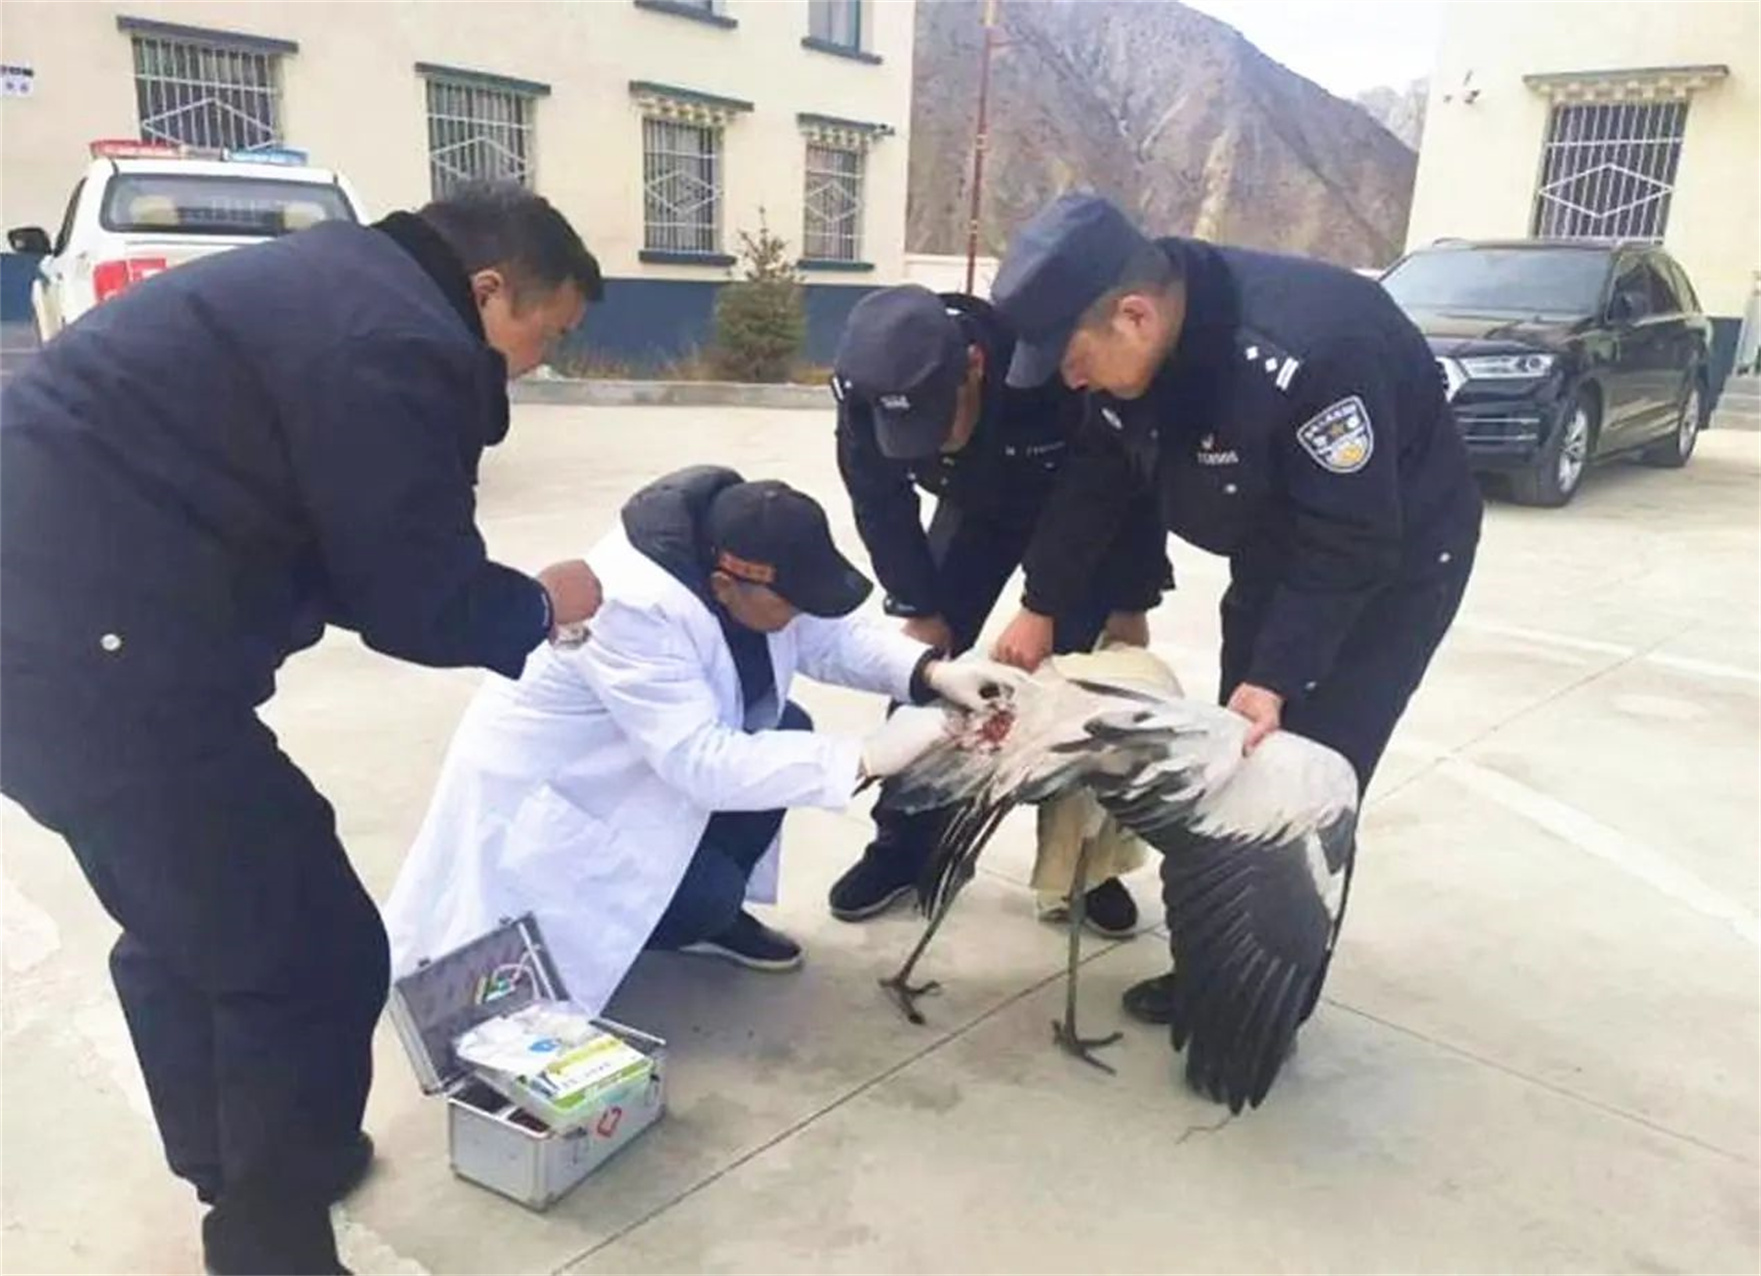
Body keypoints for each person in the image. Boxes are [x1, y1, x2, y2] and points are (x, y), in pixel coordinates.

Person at [0, 183, 605, 1275]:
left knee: (192, 920)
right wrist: (539, 604)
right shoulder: (397, 341)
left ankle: (245, 1163)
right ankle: (268, 1243)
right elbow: (413, 596)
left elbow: (328, 527)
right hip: (97, 661)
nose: (538, 365)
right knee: (311, 955)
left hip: (63, 642)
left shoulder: (337, 287)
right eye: (546, 334)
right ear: (488, 289)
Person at [986, 192, 1483, 1025]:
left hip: (1388, 569)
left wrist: (1276, 676)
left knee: (1297, 788)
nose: (1069, 379)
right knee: (1232, 769)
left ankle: (1260, 1010)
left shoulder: (1315, 352)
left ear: (1134, 316)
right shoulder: (1139, 347)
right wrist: (1040, 605)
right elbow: (1094, 480)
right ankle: (1210, 971)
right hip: (1274, 549)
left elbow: (1350, 539)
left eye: (1071, 358)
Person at [384, 465, 1027, 1014]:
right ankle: (678, 919)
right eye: (790, 604)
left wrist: (931, 672)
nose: (798, 616)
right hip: (565, 804)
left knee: (786, 727)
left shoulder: (743, 556)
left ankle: (692, 912)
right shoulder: (630, 606)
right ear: (724, 585)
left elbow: (828, 636)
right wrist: (867, 755)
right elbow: (700, 763)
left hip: (645, 769)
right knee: (706, 891)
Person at [826, 283, 1171, 934]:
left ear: (974, 367)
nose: (928, 443)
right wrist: (917, 601)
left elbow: (1123, 481)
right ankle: (904, 847)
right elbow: (880, 504)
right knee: (925, 670)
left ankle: (1083, 870)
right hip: (976, 510)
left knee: (1083, 690)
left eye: (936, 425)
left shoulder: (1052, 369)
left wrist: (1119, 597)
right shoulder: (864, 390)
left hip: (1078, 520)